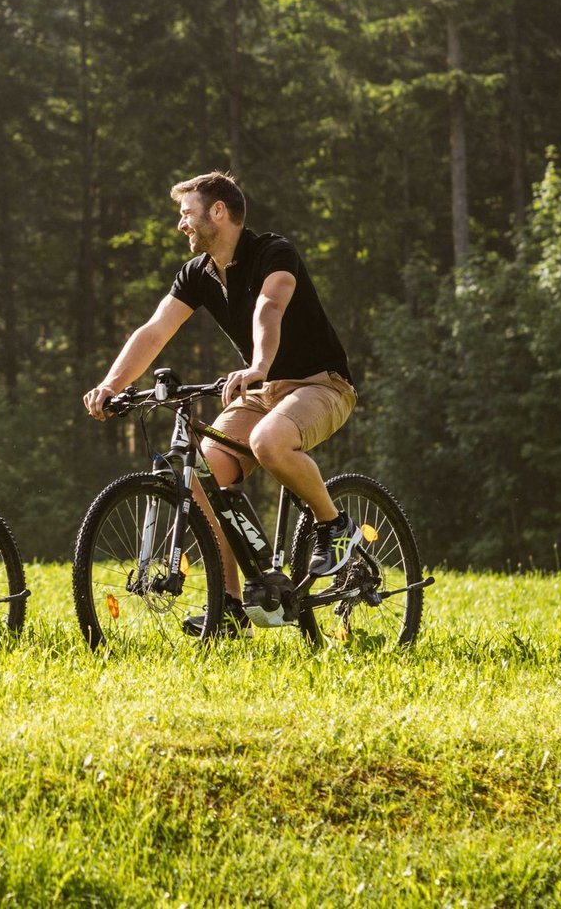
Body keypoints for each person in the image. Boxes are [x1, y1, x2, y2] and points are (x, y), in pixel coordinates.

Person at [82, 172, 358, 636]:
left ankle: (335, 525)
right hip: (261, 390)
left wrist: (258, 365)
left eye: (186, 214)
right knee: (200, 478)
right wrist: (111, 384)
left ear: (218, 212)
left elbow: (269, 307)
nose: (180, 225)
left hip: (321, 384)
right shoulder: (199, 274)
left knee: (270, 442)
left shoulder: (273, 252)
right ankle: (230, 605)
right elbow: (154, 332)